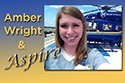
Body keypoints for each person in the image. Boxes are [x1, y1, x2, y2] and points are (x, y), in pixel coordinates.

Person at [44, 6, 111, 70]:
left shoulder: (93, 56)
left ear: (83, 27)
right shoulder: (46, 54)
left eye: (76, 25)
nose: (70, 32)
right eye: (64, 26)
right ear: (58, 28)